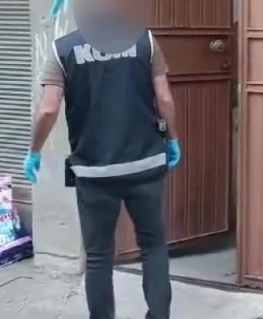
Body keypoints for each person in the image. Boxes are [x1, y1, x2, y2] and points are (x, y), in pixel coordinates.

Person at [23, 26, 181, 319]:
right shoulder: (144, 40)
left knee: (98, 256)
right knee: (153, 246)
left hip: (94, 171)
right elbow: (164, 98)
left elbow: (48, 109)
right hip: (145, 164)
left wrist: (34, 151)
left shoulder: (63, 49)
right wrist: (172, 139)